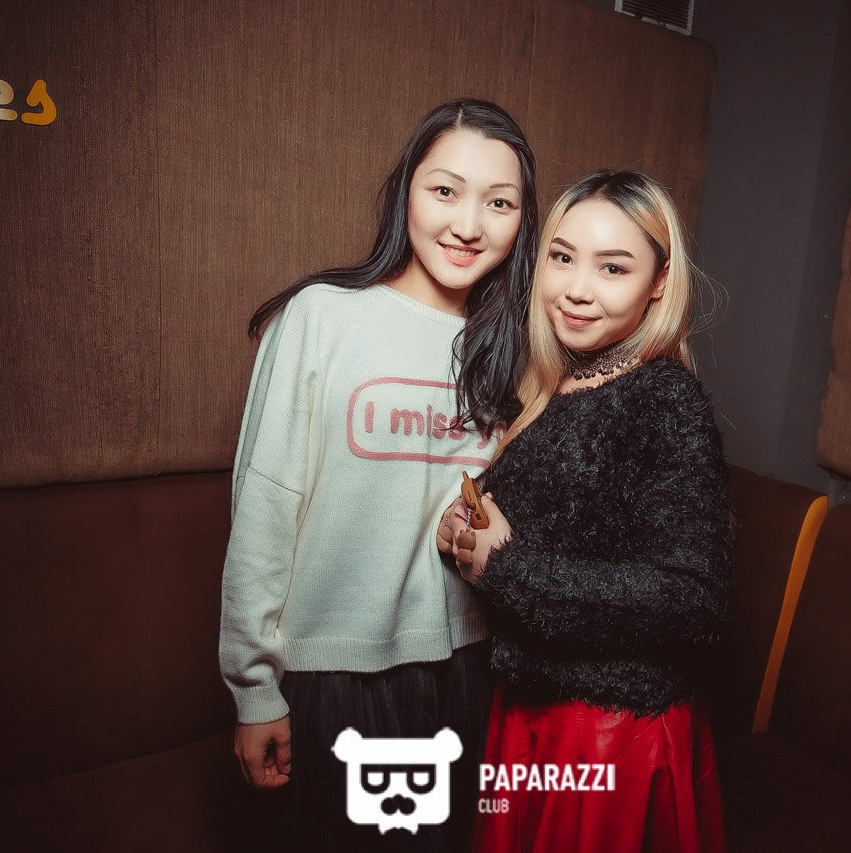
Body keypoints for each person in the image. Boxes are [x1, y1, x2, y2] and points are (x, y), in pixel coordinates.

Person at [220, 99, 538, 851]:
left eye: (499, 203)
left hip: (466, 667)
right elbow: (265, 504)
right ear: (406, 191)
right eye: (445, 190)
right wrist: (254, 688)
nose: (468, 224)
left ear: (523, 222)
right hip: (330, 670)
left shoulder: (515, 348)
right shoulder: (322, 316)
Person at [438, 170, 732, 852]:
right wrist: (468, 532)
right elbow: (556, 533)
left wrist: (504, 564)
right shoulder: (558, 382)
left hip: (608, 733)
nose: (576, 288)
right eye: (563, 257)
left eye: (613, 267)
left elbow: (694, 600)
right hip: (532, 711)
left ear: (659, 282)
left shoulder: (664, 399)